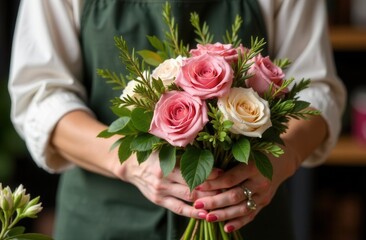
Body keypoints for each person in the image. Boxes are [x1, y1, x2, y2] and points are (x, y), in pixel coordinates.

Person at [8, 0, 346, 239]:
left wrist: (281, 159)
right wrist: (129, 163)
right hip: (103, 222)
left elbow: (315, 90)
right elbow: (40, 94)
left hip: (248, 218)